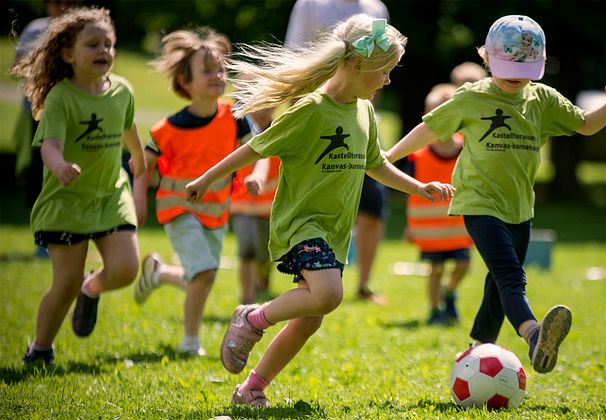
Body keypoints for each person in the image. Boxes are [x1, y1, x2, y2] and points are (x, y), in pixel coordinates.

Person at [185, 15, 454, 407]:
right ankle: (253, 318)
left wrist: (419, 187)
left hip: (333, 232)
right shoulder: (310, 110)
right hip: (301, 226)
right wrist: (207, 178)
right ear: (358, 65)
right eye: (386, 71)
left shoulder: (364, 113)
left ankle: (252, 388)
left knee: (309, 318)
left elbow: (375, 163)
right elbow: (255, 147)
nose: (389, 81)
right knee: (328, 294)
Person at [385, 15, 606, 374]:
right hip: (479, 203)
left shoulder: (543, 100)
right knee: (510, 277)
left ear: (541, 64)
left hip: (520, 209)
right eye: (506, 67)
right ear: (487, 59)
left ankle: (478, 346)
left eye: (525, 68)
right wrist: (387, 157)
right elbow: (430, 128)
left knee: (497, 283)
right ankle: (534, 334)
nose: (516, 76)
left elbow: (587, 125)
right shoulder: (472, 97)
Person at [11, 6, 146, 366]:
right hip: (66, 201)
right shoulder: (61, 98)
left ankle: (93, 288)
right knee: (64, 284)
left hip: (109, 195)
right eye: (93, 45)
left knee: (126, 269)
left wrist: (138, 158)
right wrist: (60, 167)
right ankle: (40, 348)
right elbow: (49, 147)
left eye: (109, 44)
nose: (104, 51)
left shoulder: (122, 90)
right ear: (68, 55)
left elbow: (127, 126)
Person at [132, 28, 252, 356]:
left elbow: (250, 153)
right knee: (204, 272)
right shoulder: (166, 130)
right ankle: (190, 342)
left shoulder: (236, 118)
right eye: (207, 70)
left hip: (216, 213)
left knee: (202, 276)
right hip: (178, 208)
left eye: (221, 69)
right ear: (185, 82)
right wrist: (138, 198)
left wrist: (251, 178)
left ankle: (159, 273)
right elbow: (141, 167)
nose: (218, 76)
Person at [286, 0, 391, 304]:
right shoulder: (310, 5)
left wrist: (366, 115)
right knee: (301, 198)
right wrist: (301, 122)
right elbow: (296, 57)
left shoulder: (376, 9)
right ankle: (281, 273)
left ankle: (364, 284)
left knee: (373, 203)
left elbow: (380, 70)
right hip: (318, 118)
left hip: (359, 122)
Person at [12, 0, 78, 258]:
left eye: (69, 2)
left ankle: (70, 233)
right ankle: (43, 238)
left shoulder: (82, 30)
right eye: (57, 2)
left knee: (70, 173)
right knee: (40, 174)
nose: (62, 7)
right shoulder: (36, 29)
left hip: (74, 115)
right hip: (39, 113)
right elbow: (19, 63)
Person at [402, 83, 472, 325]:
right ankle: (434, 310)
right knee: (436, 270)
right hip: (430, 231)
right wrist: (409, 226)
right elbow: (409, 192)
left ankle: (449, 292)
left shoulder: (468, 148)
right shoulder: (418, 155)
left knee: (463, 264)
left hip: (459, 227)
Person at [230, 151, 281, 304]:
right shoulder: (242, 135)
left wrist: (263, 187)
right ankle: (247, 299)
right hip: (242, 206)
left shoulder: (283, 134)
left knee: (266, 255)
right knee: (248, 250)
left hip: (270, 208)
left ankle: (262, 279)